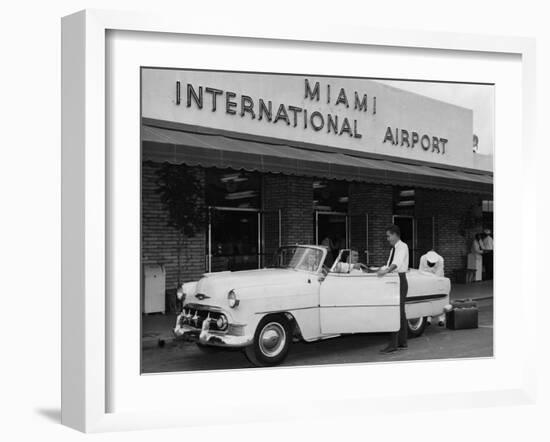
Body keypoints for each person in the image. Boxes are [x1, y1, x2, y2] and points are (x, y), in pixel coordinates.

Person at [377, 224, 409, 354]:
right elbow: (390, 263)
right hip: (396, 279)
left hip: (399, 279)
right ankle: (402, 342)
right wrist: (380, 268)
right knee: (400, 312)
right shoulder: (393, 249)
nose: (387, 239)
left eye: (388, 236)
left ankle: (394, 344)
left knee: (395, 312)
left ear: (395, 235)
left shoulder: (402, 247)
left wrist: (386, 271)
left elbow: (396, 264)